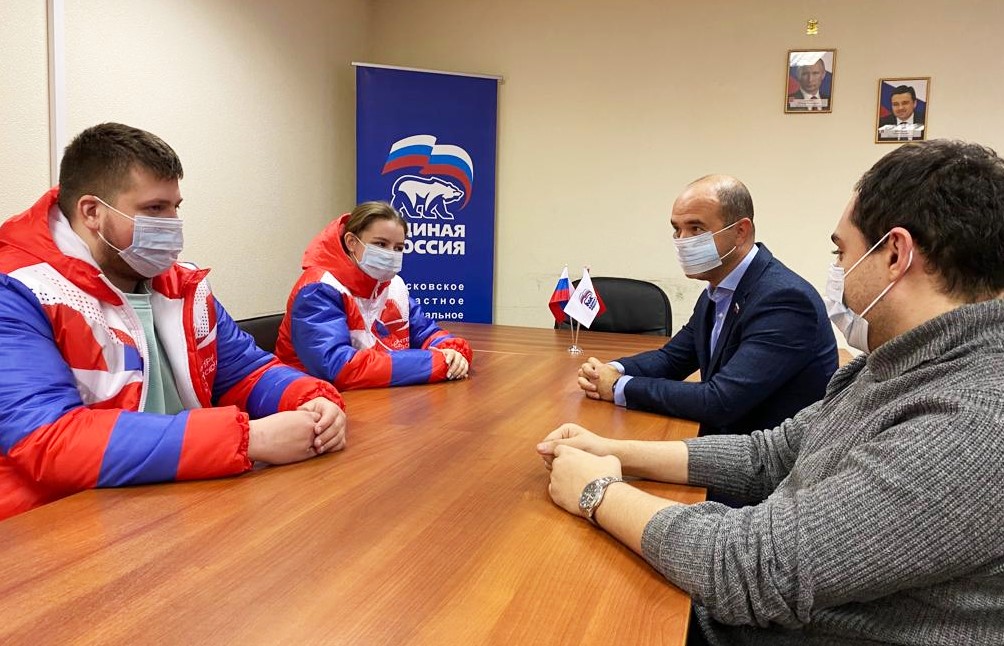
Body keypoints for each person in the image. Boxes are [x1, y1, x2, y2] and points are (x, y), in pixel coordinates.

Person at [539, 139, 1004, 645]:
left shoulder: (973, 420)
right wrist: (611, 451)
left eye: (841, 252)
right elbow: (769, 456)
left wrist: (598, 491)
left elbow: (754, 569)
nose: (838, 271)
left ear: (894, 254)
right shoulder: (895, 364)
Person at [0, 123, 348, 521]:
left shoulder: (182, 284)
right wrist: (249, 438)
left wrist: (312, 399)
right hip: (60, 522)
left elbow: (247, 371)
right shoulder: (17, 291)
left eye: (175, 207)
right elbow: (49, 440)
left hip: (180, 501)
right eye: (154, 209)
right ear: (92, 211)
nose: (172, 224)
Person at [577, 175, 837, 437]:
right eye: (677, 229)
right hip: (728, 439)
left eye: (696, 229)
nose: (682, 240)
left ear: (740, 231)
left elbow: (720, 401)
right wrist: (612, 370)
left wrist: (618, 387)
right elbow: (672, 359)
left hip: (765, 454)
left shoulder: (784, 300)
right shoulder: (719, 289)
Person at [275, 201, 472, 390]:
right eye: (381, 244)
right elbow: (338, 366)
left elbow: (425, 332)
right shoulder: (318, 289)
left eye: (399, 248)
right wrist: (435, 363)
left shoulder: (393, 284)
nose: (391, 254)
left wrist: (453, 352)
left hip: (379, 394)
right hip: (316, 400)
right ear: (352, 242)